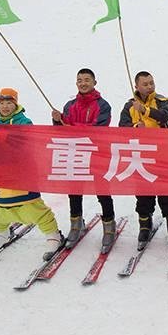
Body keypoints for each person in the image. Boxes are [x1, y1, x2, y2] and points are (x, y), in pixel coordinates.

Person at [0, 88, 64, 257]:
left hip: (21, 176)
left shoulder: (24, 123)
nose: (5, 107)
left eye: (9, 103)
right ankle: (2, 232)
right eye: (1, 103)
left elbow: (29, 146)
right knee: (0, 209)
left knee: (33, 208)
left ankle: (53, 235)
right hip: (1, 177)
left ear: (15, 104)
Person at [51, 68, 117, 248]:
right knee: (74, 190)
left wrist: (69, 123)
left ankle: (109, 225)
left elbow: (96, 130)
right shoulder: (69, 105)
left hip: (97, 154)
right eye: (80, 80)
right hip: (75, 154)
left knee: (102, 191)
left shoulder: (103, 105)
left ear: (95, 82)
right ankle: (76, 223)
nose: (83, 83)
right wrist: (58, 120)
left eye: (87, 79)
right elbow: (62, 132)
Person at [119, 71, 168, 245]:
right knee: (143, 193)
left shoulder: (162, 101)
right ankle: (144, 224)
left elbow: (164, 116)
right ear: (136, 86)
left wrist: (145, 111)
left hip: (162, 155)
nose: (149, 87)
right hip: (140, 156)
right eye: (145, 84)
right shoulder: (129, 106)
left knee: (166, 192)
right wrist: (135, 127)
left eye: (151, 83)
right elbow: (121, 127)